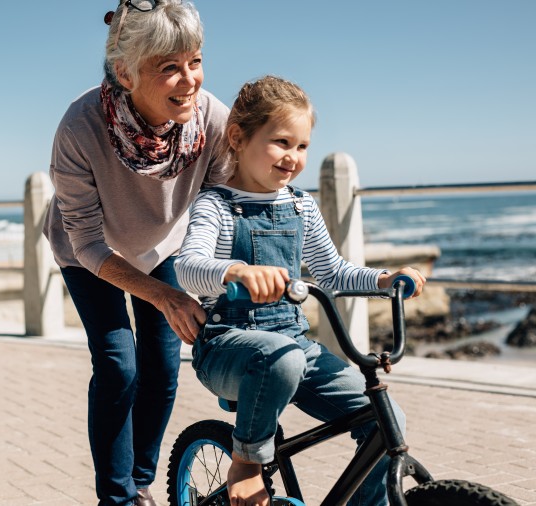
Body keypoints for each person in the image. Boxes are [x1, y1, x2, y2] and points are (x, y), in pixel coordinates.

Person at [174, 75, 427, 506]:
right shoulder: (215, 204)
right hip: (228, 347)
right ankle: (247, 460)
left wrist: (384, 281)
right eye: (281, 142)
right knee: (281, 360)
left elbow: (332, 274)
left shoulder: (300, 205)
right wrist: (235, 271)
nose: (293, 157)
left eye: (302, 146)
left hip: (295, 347)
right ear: (238, 137)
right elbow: (187, 268)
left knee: (387, 423)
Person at [43, 1, 230, 504]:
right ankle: (117, 498)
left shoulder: (212, 119)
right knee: (119, 364)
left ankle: (140, 483)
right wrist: (165, 297)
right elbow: (85, 241)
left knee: (164, 368)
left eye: (194, 61)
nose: (189, 80)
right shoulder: (80, 128)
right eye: (168, 67)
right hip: (90, 250)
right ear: (125, 73)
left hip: (161, 243)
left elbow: (223, 208)